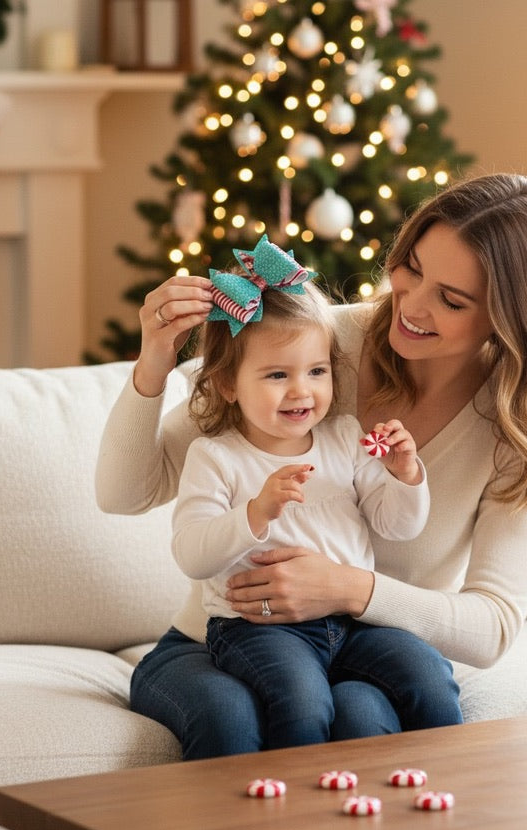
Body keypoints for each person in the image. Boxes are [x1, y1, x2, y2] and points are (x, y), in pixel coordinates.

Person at [96, 172, 527, 759]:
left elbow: (493, 626)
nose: (411, 305)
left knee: (364, 716)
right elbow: (126, 494)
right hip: (222, 643)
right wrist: (153, 362)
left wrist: (344, 588)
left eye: (452, 300)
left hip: (362, 649)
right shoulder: (315, 344)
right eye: (412, 268)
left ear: (511, 318)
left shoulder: (522, 425)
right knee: (233, 716)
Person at [171, 235, 462, 749]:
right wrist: (256, 512)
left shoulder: (346, 438)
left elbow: (397, 526)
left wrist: (404, 474)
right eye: (277, 374)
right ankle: (295, 797)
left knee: (428, 675)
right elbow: (192, 555)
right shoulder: (216, 457)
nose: (301, 390)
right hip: (259, 628)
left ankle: (448, 781)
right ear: (229, 384)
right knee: (302, 702)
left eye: (317, 371)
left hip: (354, 622)